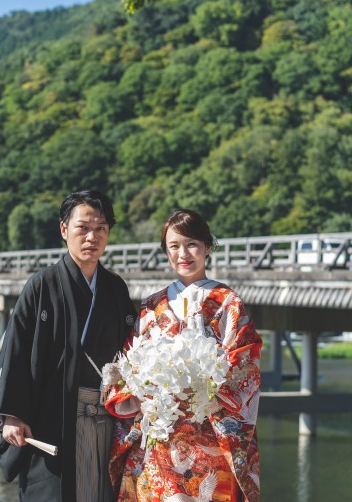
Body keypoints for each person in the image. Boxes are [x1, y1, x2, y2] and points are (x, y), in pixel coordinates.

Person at [0, 190, 138, 501]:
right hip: (52, 416)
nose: (92, 237)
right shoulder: (42, 285)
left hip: (105, 417)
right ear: (64, 229)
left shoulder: (115, 288)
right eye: (83, 227)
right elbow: (16, 351)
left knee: (101, 491)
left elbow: (132, 349)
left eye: (101, 228)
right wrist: (12, 415)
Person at [105, 209, 262, 502]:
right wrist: (143, 389)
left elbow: (246, 362)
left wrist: (205, 386)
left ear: (207, 247)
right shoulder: (151, 305)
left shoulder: (228, 303)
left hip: (209, 434)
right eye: (174, 246)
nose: (183, 254)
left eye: (191, 244)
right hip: (160, 433)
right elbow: (127, 362)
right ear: (165, 251)